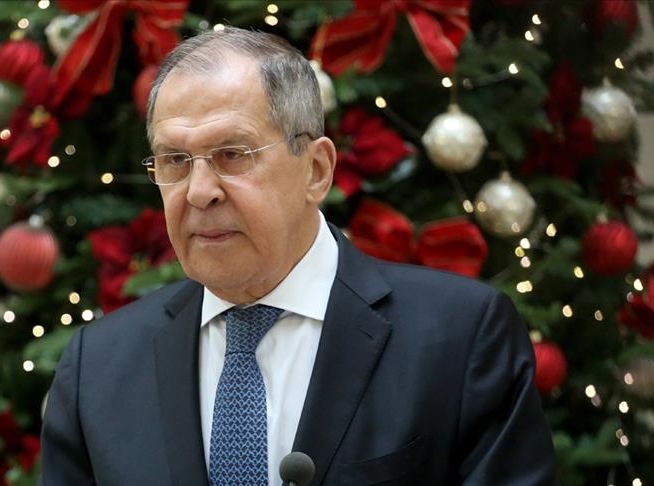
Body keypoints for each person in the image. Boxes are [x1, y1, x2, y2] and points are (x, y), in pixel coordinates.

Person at [40, 27, 556, 485]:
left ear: (316, 170)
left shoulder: (460, 337)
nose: (199, 191)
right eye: (175, 160)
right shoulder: (97, 366)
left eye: (232, 155)